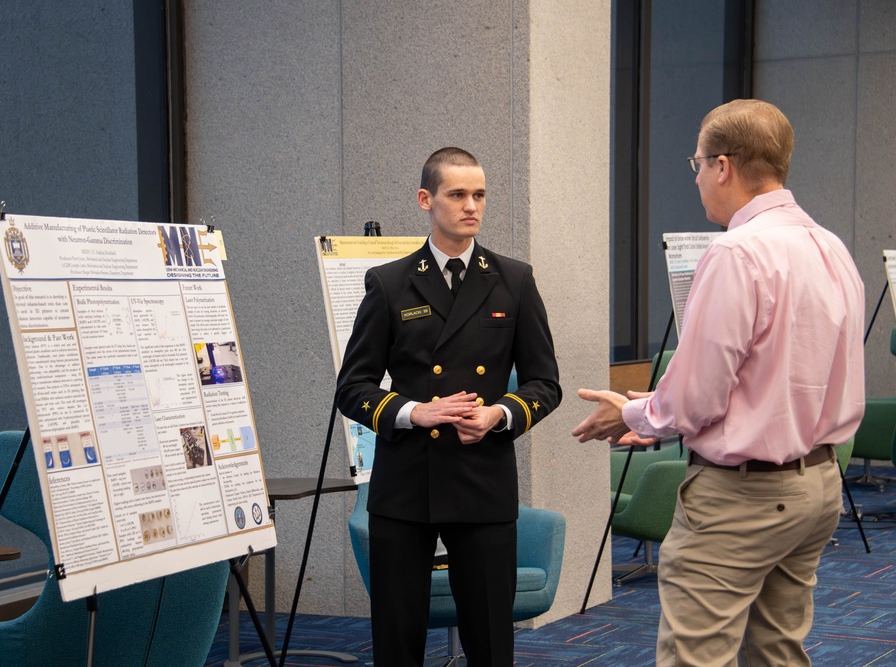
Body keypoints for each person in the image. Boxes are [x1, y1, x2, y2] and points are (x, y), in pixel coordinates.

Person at [571, 99, 865, 666]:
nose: (699, 176)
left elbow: (699, 396)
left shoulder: (736, 252)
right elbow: (773, 380)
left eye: (698, 164)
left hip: (743, 499)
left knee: (694, 659)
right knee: (778, 653)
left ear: (724, 166)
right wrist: (662, 406)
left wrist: (634, 415)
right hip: (819, 484)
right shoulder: (831, 245)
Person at [337, 147, 561, 666]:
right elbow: (353, 387)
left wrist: (497, 415)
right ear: (425, 200)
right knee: (397, 639)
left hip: (482, 480)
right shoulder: (390, 283)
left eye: (479, 194)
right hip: (406, 485)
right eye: (457, 194)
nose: (471, 206)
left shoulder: (514, 280)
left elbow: (544, 384)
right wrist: (416, 412)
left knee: (489, 639)